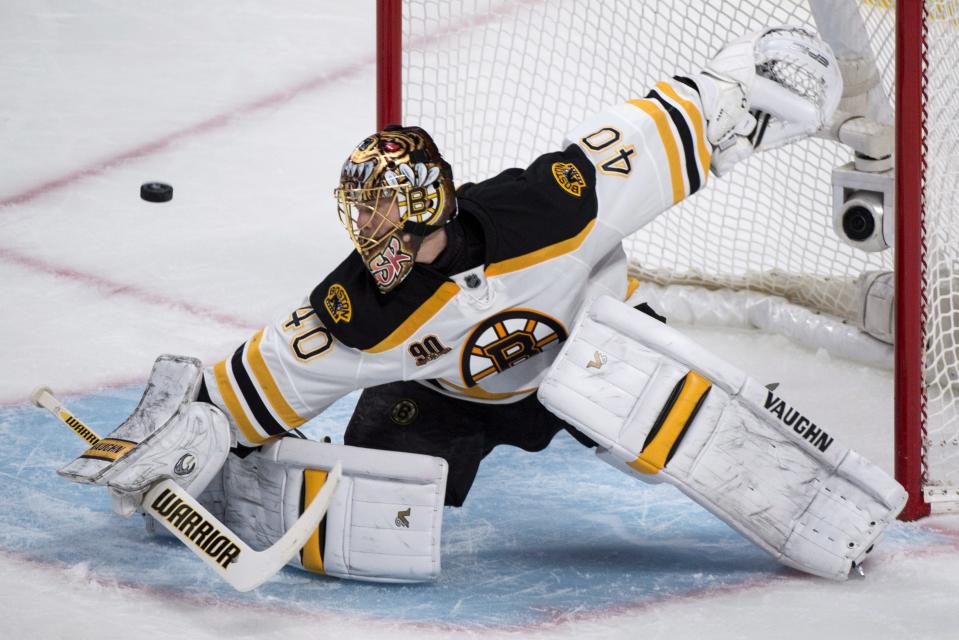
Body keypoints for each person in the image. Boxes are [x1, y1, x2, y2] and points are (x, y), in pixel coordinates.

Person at [58, 25, 906, 585]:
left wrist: (753, 83)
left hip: (591, 345)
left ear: (437, 209)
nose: (379, 248)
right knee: (371, 519)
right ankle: (239, 495)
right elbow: (251, 388)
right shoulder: (356, 311)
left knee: (627, 396)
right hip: (447, 400)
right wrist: (189, 439)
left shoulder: (546, 207)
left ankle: (814, 506)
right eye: (368, 226)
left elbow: (677, 126)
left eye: (396, 226)